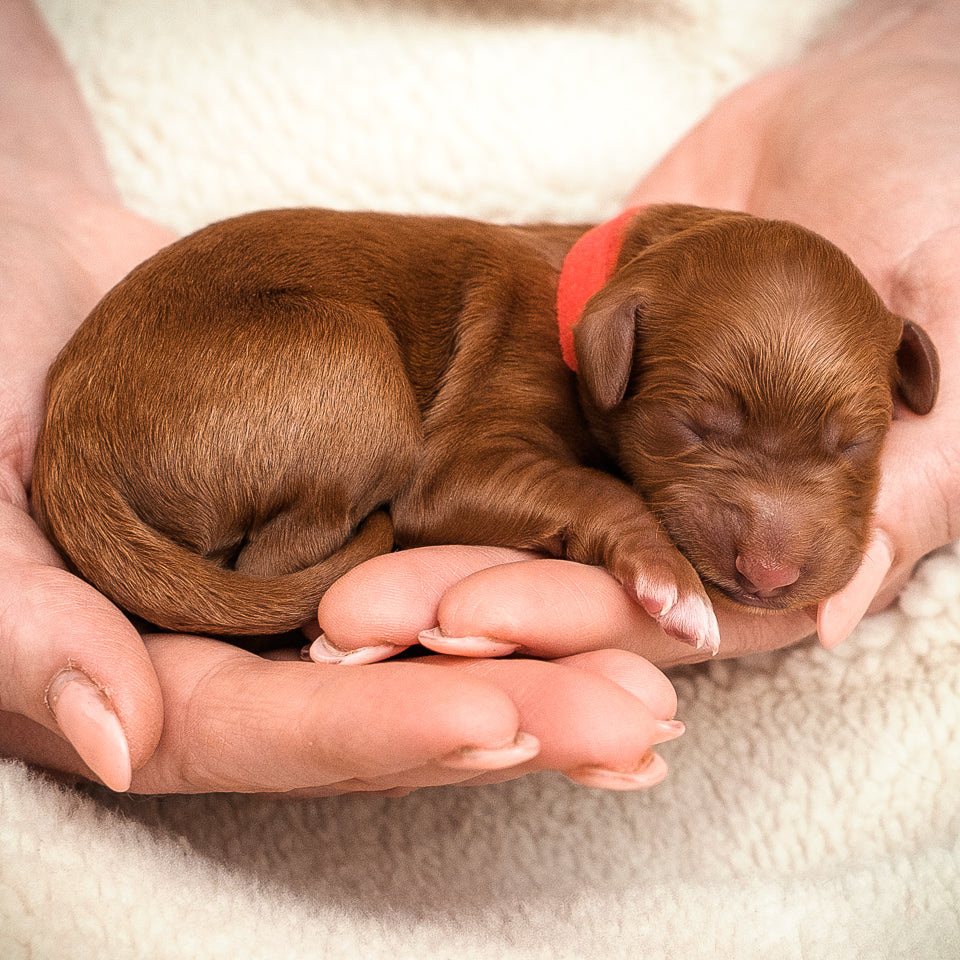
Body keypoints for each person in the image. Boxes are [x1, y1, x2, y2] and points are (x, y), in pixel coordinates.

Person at [1, 0, 957, 796]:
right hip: (194, 397)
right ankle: (291, 555)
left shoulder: (663, 320)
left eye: (846, 447)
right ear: (612, 345)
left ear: (905, 373)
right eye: (701, 429)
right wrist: (615, 522)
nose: (772, 553)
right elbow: (451, 483)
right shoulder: (528, 325)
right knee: (365, 403)